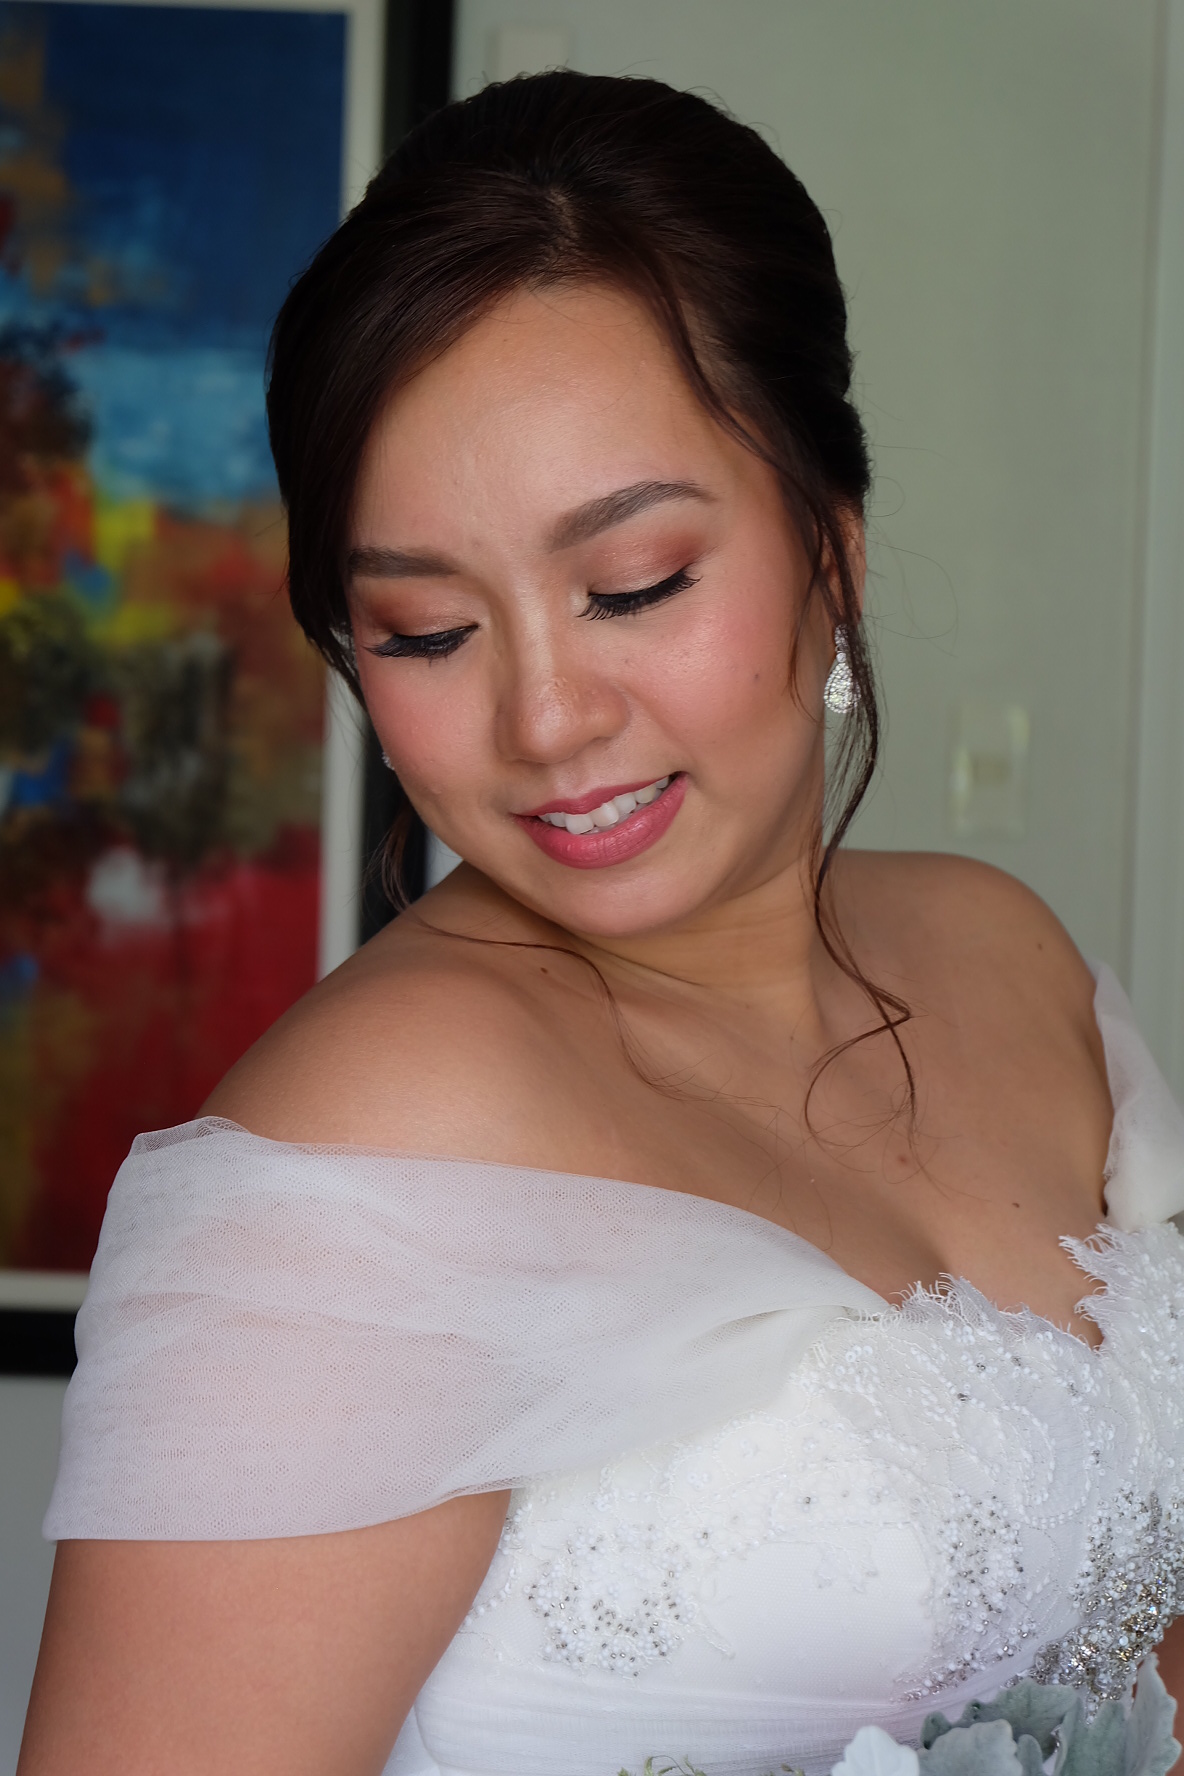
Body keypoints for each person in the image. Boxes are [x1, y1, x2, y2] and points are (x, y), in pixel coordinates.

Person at [19, 71, 1184, 1776]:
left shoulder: (1007, 957)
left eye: (633, 587)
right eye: (426, 632)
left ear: (832, 547)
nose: (548, 719)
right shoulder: (372, 1143)